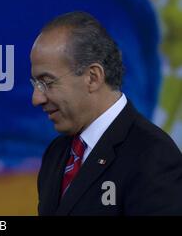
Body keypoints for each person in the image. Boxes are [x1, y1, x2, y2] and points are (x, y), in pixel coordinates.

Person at [32, 11, 182, 216]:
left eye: (46, 82)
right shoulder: (56, 154)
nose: (36, 98)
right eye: (36, 84)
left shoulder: (153, 156)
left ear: (92, 77)